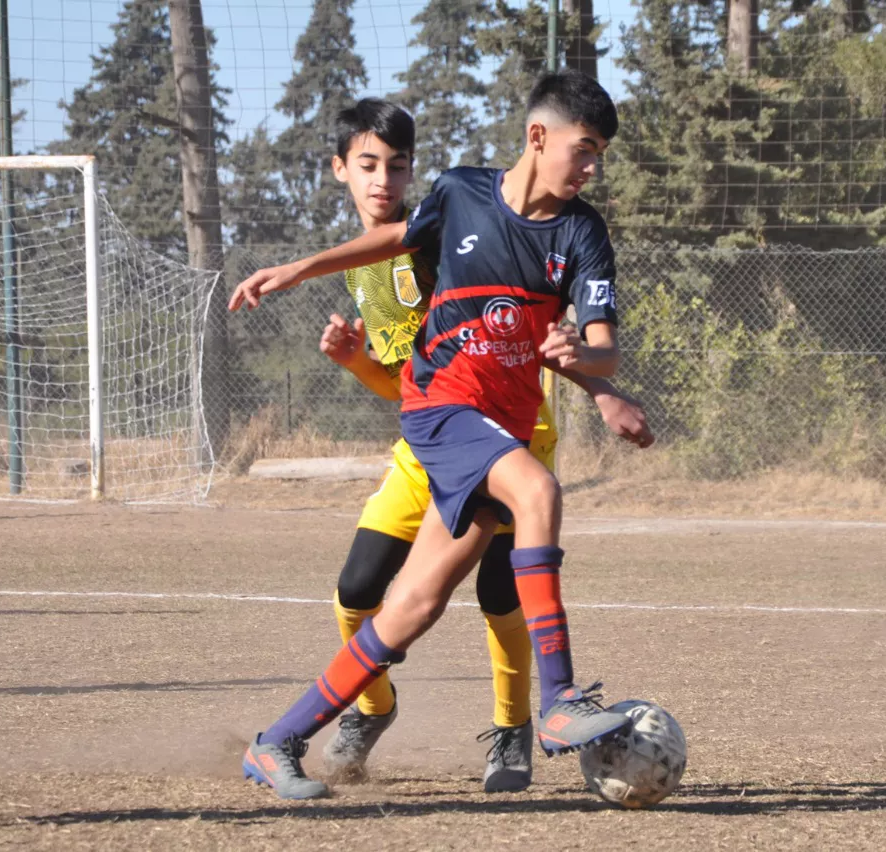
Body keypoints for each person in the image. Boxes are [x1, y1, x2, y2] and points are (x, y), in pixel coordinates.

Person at [229, 71, 631, 800]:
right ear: (538, 138)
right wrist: (298, 268)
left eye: (600, 153)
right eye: (586, 148)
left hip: (502, 425)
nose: (593, 166)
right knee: (538, 489)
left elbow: (602, 341)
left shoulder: (582, 232)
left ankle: (276, 741)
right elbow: (390, 240)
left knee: (413, 605)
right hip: (441, 407)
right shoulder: (461, 192)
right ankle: (561, 700)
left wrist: (595, 372)